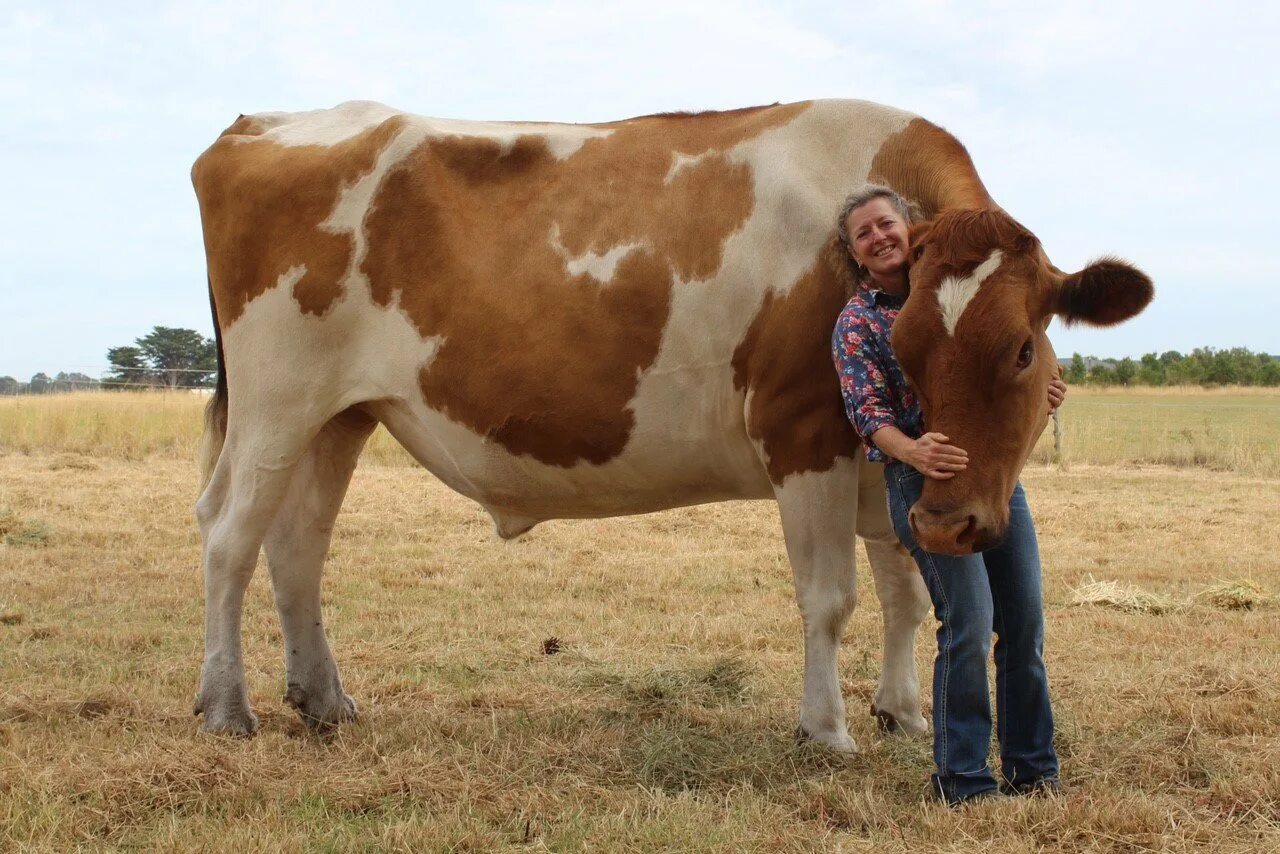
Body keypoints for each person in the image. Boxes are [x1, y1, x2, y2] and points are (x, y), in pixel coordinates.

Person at [830, 184, 1066, 805]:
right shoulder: (858, 323)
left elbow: (1020, 355)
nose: (879, 237)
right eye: (864, 233)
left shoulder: (960, 292)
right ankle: (962, 778)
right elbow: (866, 411)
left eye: (886, 224)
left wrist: (1043, 381)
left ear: (910, 229)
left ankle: (1033, 768)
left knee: (1024, 621)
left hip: (991, 480)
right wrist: (914, 452)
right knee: (969, 622)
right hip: (924, 479)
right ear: (855, 254)